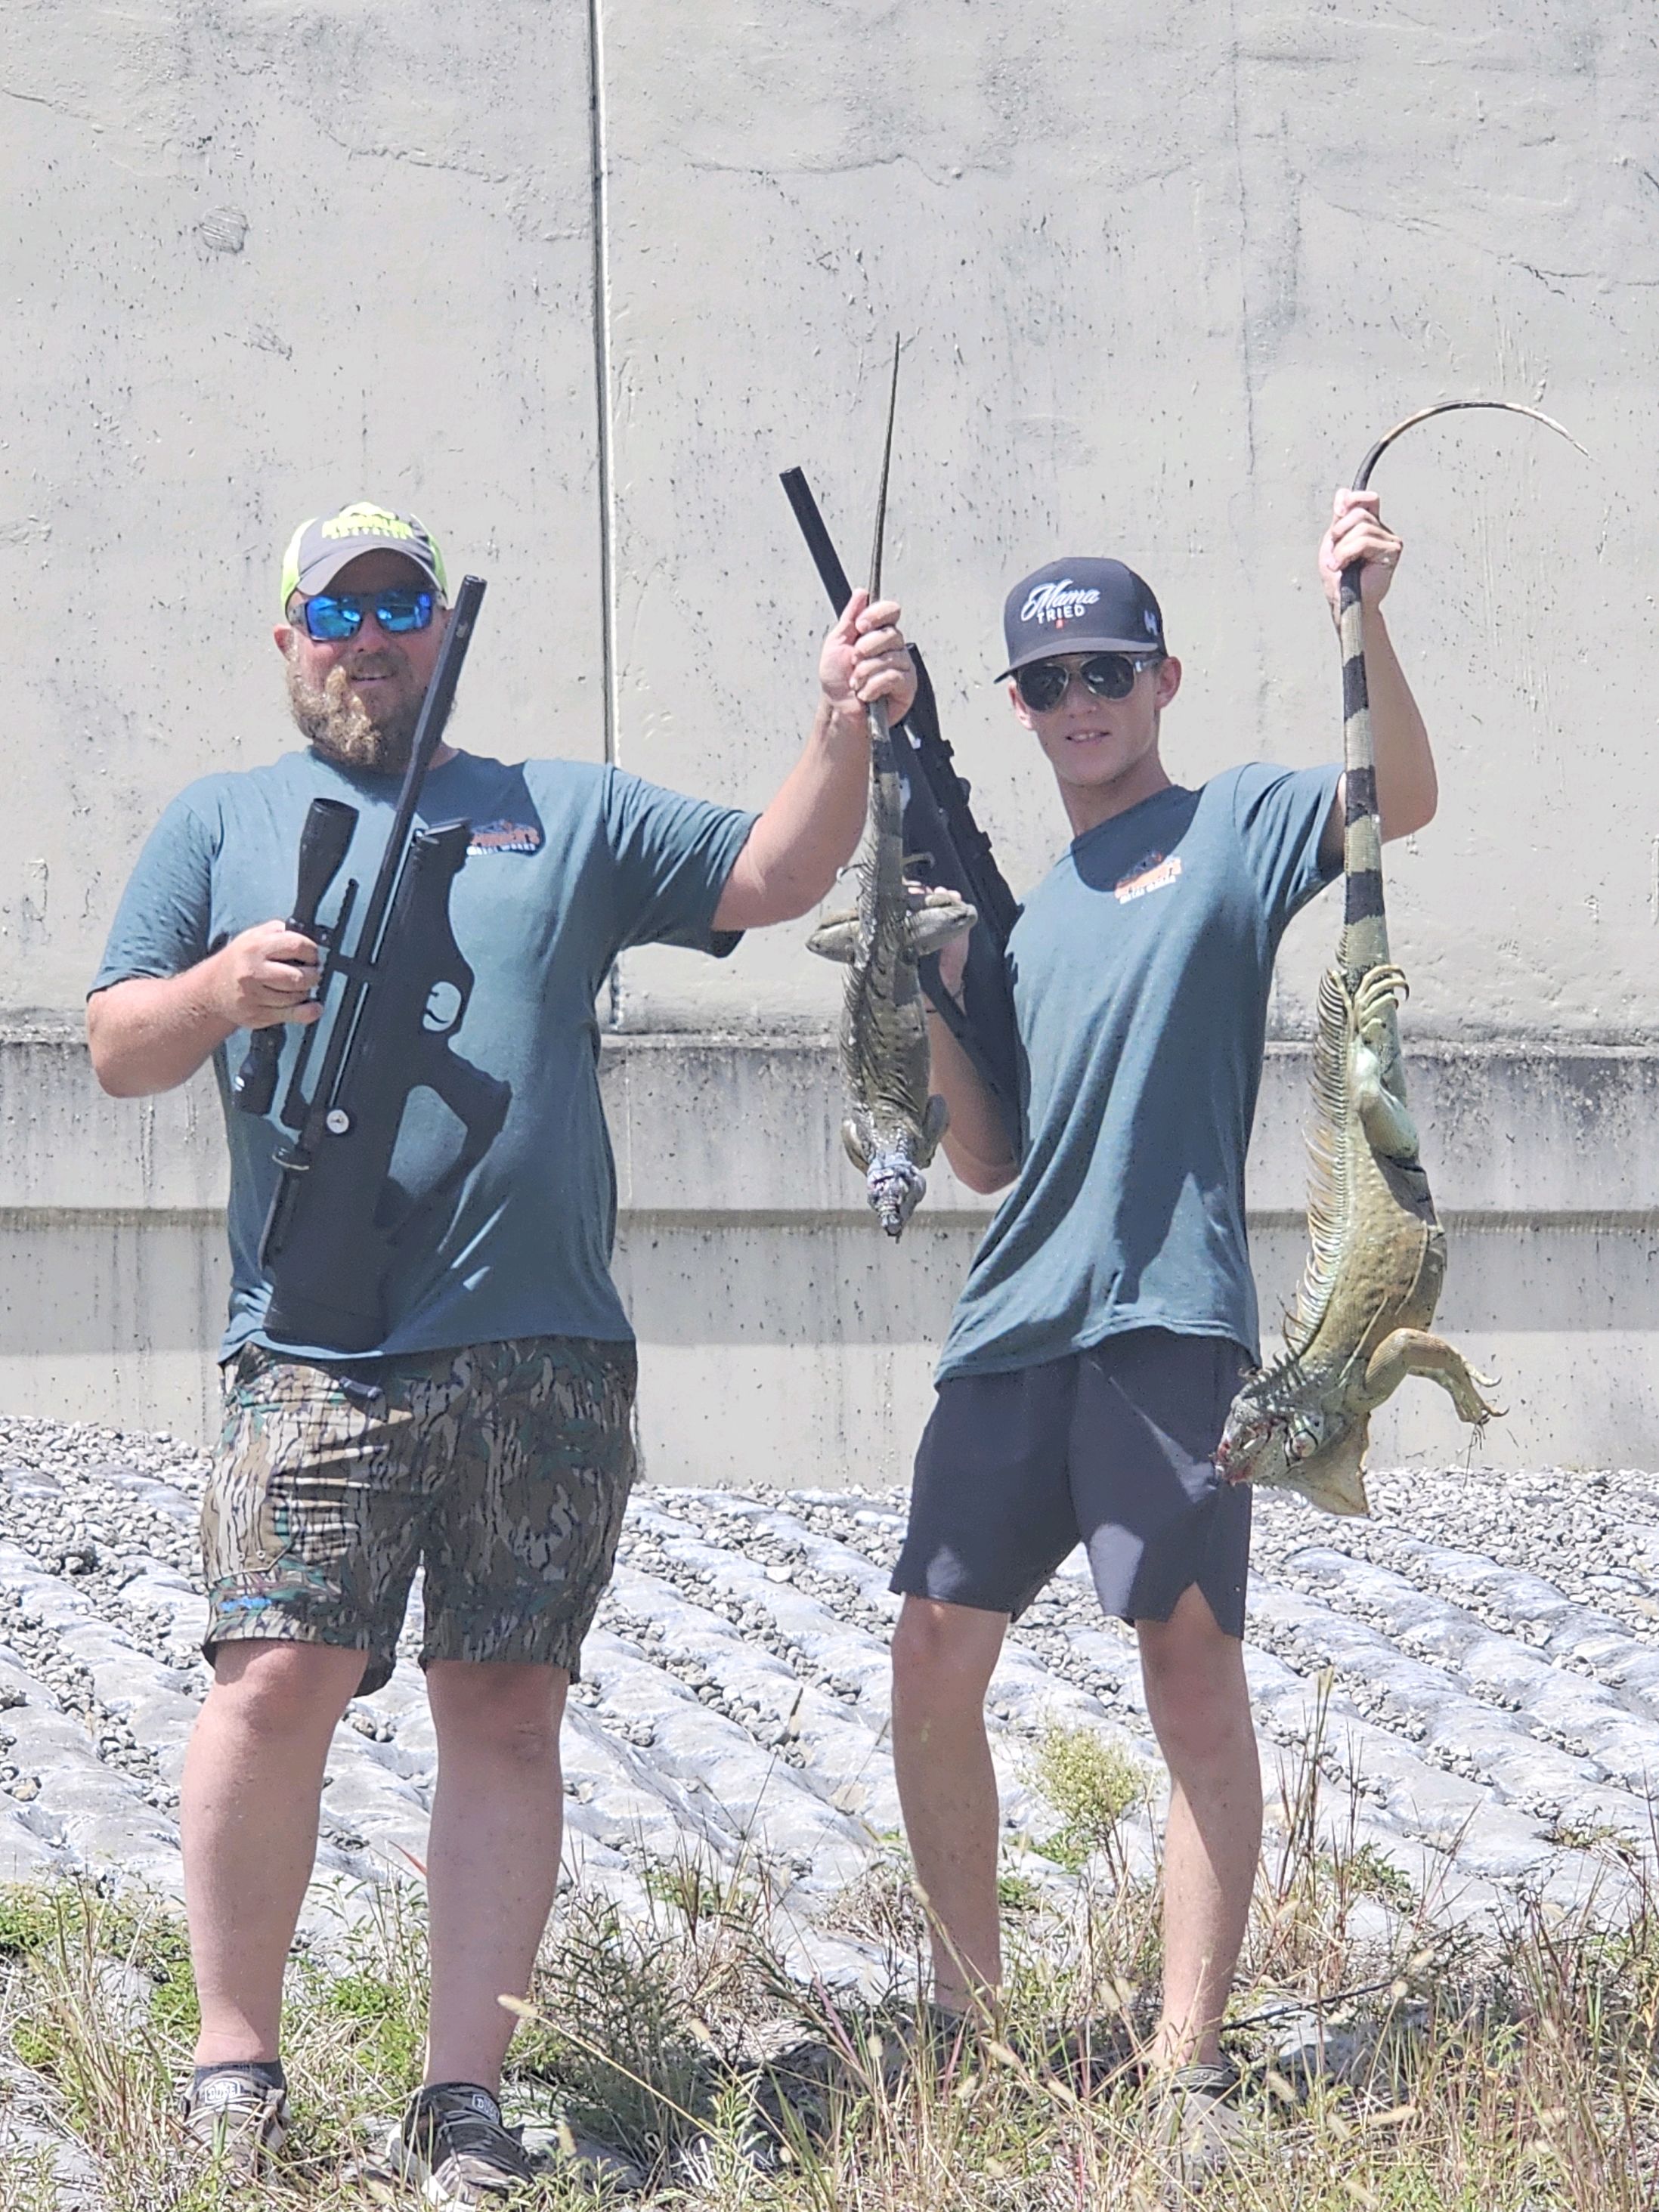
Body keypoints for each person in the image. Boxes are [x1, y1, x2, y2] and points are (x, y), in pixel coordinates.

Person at [86, 500, 913, 2201]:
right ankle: (234, 2061)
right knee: (271, 1681)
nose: (372, 636)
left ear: (437, 633)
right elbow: (113, 1042)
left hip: (543, 1349)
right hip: (317, 1344)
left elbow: (775, 872)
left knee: (507, 1707)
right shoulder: (220, 823)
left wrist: (837, 723)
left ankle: (467, 2094)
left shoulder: (567, 810)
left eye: (401, 606)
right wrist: (223, 990)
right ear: (288, 635)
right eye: (339, 608)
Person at [887, 490, 1433, 2171]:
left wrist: (1363, 612)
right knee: (927, 1664)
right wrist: (926, 988)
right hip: (1010, 1325)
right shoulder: (1026, 912)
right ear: (1021, 711)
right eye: (1046, 686)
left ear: (1165, 676)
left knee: (1187, 1668)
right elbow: (985, 1158)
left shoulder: (1242, 819)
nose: (1079, 705)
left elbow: (1395, 795)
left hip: (1170, 1318)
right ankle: (971, 2025)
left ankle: (1187, 2054)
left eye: (1107, 670)